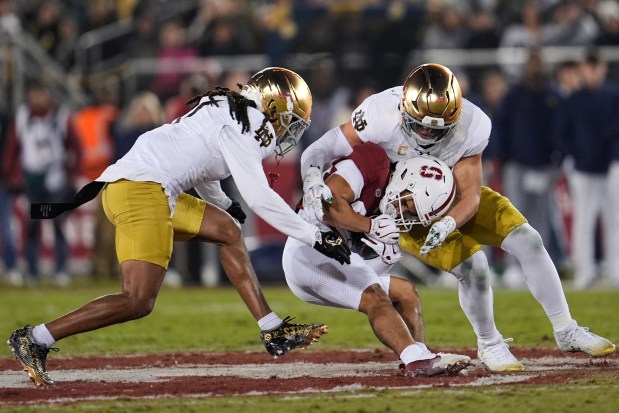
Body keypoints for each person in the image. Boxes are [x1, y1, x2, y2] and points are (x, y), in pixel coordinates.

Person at [7, 67, 351, 387]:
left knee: (228, 230)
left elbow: (200, 163)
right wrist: (315, 236)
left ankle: (272, 329)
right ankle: (36, 338)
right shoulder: (242, 125)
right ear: (273, 107)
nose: (288, 131)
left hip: (145, 185)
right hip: (142, 190)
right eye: (290, 122)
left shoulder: (227, 109)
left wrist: (224, 203)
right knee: (138, 300)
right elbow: (260, 198)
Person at [299, 63, 616, 372]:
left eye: (436, 128)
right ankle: (490, 343)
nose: (425, 133)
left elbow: (471, 194)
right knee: (475, 266)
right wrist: (312, 177)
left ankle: (566, 328)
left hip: (449, 193)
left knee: (528, 240)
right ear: (404, 109)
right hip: (402, 208)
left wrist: (449, 223)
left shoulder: (473, 125)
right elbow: (321, 149)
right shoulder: (380, 113)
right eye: (419, 124)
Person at [284, 145, 471, 377]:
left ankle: (420, 354)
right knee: (374, 297)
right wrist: (370, 226)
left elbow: (363, 272)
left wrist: (385, 259)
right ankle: (416, 360)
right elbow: (325, 205)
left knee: (405, 293)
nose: (403, 214)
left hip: (330, 259)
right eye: (407, 204)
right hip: (308, 249)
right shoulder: (372, 162)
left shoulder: (389, 208)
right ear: (406, 179)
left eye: (412, 214)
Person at [5, 81, 82, 286]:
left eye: (41, 94)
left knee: (58, 224)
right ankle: (32, 270)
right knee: (31, 226)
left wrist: (73, 174)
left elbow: (77, 146)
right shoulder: (22, 118)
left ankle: (60, 269)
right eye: (34, 94)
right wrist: (10, 175)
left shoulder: (61, 116)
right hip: (32, 181)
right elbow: (13, 148)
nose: (37, 99)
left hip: (56, 180)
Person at [555, 51, 619, 289]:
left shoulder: (612, 96)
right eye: (588, 68)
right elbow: (561, 134)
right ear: (583, 69)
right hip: (582, 169)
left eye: (596, 67)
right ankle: (585, 271)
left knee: (614, 220)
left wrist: (614, 159)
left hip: (610, 168)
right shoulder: (573, 100)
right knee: (584, 221)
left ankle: (615, 271)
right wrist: (572, 156)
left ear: (602, 68)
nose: (592, 73)